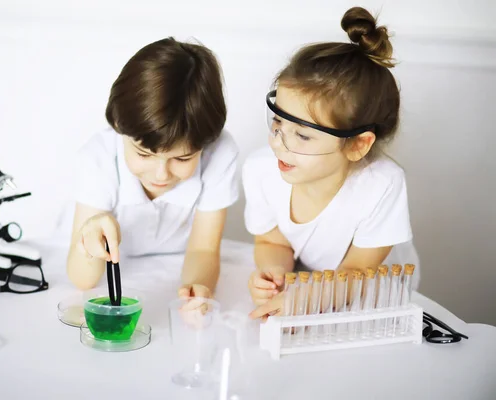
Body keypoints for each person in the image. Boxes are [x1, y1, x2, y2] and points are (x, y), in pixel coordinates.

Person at [244, 7, 418, 319]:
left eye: (303, 136)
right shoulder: (259, 170)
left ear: (357, 145)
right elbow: (272, 240)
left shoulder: (381, 184)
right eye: (278, 123)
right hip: (311, 286)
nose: (279, 144)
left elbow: (358, 271)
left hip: (374, 298)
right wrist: (274, 274)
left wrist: (308, 300)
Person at [66, 37, 239, 300]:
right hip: (116, 271)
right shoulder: (98, 157)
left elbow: (203, 250)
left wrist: (197, 289)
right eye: (143, 154)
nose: (161, 175)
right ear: (117, 124)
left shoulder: (221, 152)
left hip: (174, 267)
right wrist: (91, 236)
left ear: (207, 143)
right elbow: (82, 279)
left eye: (182, 159)